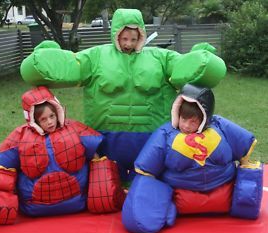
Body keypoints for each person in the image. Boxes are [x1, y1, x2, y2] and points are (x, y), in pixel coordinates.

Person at [20, 8, 226, 184]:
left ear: (141, 37)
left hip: (152, 137)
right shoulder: (96, 57)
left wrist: (200, 59)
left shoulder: (160, 59)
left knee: (149, 184)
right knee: (104, 190)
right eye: (124, 38)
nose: (128, 43)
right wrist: (48, 58)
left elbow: (184, 68)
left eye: (134, 39)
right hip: (105, 138)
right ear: (116, 35)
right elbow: (71, 67)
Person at [122, 84, 263, 233]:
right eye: (184, 119)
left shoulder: (220, 126)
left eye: (193, 121)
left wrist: (246, 167)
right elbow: (146, 168)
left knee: (249, 175)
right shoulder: (165, 133)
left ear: (204, 117)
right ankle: (164, 208)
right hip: (181, 196)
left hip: (222, 193)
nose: (186, 126)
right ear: (177, 113)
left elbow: (244, 146)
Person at [0, 86, 125, 225]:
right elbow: (3, 167)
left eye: (52, 116)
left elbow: (97, 156)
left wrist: (105, 187)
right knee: (3, 175)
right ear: (33, 120)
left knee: (100, 165)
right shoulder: (20, 137)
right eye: (43, 119)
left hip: (79, 201)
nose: (50, 122)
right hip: (33, 207)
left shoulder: (74, 129)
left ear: (58, 111)